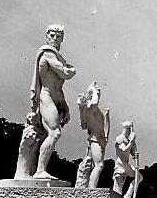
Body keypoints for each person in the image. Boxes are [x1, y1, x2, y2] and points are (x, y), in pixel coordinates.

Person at [15, 25, 76, 179]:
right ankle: (40, 170)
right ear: (47, 36)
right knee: (54, 133)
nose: (55, 39)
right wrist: (71, 70)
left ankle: (35, 168)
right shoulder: (48, 53)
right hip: (46, 97)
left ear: (62, 39)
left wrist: (65, 107)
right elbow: (64, 73)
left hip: (56, 98)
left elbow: (59, 87)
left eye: (58, 36)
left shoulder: (58, 57)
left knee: (45, 135)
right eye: (52, 35)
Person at [73, 82, 109, 188]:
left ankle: (87, 187)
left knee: (92, 165)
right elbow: (94, 103)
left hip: (98, 139)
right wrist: (94, 91)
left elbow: (84, 126)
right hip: (96, 139)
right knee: (99, 165)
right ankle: (91, 190)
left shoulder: (87, 111)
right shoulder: (91, 109)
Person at [112, 120, 140, 198]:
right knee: (117, 190)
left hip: (126, 165)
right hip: (120, 165)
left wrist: (135, 153)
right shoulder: (119, 138)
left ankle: (127, 196)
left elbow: (132, 153)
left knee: (138, 177)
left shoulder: (128, 139)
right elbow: (123, 151)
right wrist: (131, 142)